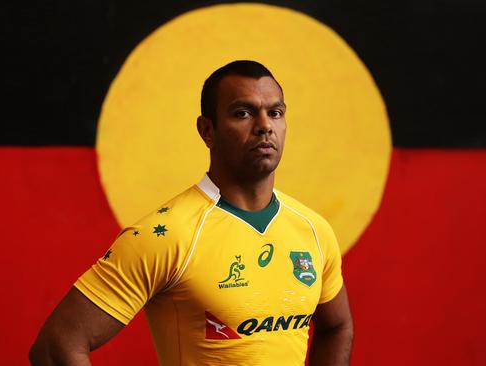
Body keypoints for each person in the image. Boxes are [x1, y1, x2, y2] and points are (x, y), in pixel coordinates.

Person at [30, 60, 353, 365]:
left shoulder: (313, 230)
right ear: (207, 130)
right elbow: (56, 347)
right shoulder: (167, 234)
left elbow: (337, 327)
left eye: (276, 112)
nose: (265, 126)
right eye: (243, 113)